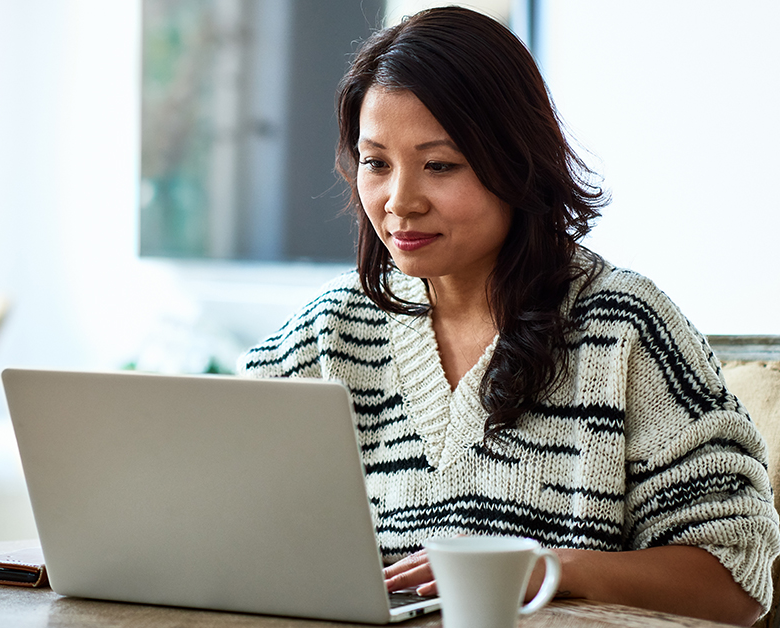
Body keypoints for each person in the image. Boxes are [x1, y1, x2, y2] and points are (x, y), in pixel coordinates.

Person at [237, 7, 779, 626]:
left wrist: (545, 569)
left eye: (440, 165)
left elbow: (735, 580)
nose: (399, 201)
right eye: (376, 162)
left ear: (516, 162)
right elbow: (222, 523)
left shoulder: (625, 327)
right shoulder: (325, 334)